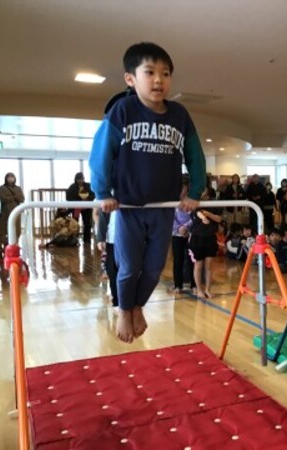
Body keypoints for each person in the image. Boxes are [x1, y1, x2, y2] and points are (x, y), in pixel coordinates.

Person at [89, 42, 206, 343]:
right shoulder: (123, 110)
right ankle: (124, 309)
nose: (158, 80)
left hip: (163, 207)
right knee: (129, 267)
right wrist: (102, 192)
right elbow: (101, 152)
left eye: (165, 74)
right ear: (131, 79)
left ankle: (137, 306)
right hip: (129, 206)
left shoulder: (179, 115)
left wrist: (195, 191)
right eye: (150, 72)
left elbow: (195, 155)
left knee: (154, 269)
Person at [188, 190, 222, 299]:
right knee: (198, 265)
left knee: (208, 265)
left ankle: (208, 290)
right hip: (197, 238)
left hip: (210, 237)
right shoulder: (195, 203)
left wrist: (208, 214)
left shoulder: (214, 204)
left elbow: (218, 219)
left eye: (205, 192)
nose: (203, 194)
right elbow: (198, 213)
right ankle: (199, 289)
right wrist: (203, 217)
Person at [169, 175, 195, 293]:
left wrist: (186, 227)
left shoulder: (192, 200)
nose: (181, 190)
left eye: (183, 187)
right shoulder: (173, 200)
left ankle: (194, 284)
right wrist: (179, 228)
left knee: (191, 260)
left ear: (187, 188)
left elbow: (194, 216)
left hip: (189, 234)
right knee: (177, 260)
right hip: (177, 234)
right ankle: (178, 285)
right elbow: (171, 217)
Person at [96, 209, 119, 309]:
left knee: (129, 272)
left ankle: (130, 302)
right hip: (112, 240)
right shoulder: (108, 200)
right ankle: (117, 301)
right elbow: (102, 215)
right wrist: (101, 238)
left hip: (131, 239)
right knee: (111, 270)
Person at [66, 172, 96, 243]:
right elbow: (68, 197)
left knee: (87, 223)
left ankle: (87, 239)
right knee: (75, 223)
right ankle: (74, 239)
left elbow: (93, 194)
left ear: (84, 179)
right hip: (76, 208)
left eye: (81, 179)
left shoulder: (88, 186)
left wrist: (88, 199)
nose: (80, 180)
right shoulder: (72, 187)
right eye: (78, 179)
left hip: (86, 207)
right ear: (76, 179)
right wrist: (78, 201)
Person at [0, 172, 24, 244]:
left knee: (16, 229)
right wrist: (15, 197)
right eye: (9, 177)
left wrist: (12, 197)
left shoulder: (18, 188)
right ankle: (5, 245)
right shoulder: (2, 188)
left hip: (16, 212)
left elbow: (21, 198)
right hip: (5, 212)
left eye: (12, 177)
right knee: (5, 229)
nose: (10, 179)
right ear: (6, 179)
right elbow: (3, 198)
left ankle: (15, 244)